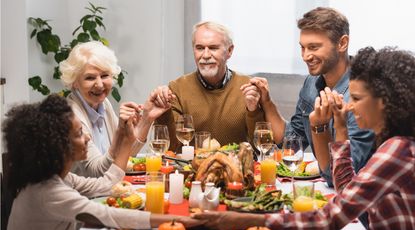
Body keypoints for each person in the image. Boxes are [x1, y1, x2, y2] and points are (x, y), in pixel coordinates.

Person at [194, 47, 415, 230]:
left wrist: (248, 219)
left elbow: (330, 219)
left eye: (356, 98)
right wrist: (340, 128)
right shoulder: (394, 142)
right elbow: (348, 191)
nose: (350, 106)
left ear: (384, 102)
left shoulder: (397, 150)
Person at [4, 94, 202, 230]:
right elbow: (109, 215)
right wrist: (184, 220)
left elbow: (107, 185)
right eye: (79, 133)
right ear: (59, 145)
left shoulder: (57, 178)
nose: (88, 137)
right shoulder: (49, 192)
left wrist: (127, 140)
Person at [247, 7, 374, 186]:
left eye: (314, 47)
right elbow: (289, 143)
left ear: (342, 43)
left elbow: (339, 177)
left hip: (362, 203)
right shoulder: (311, 83)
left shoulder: (361, 94)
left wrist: (318, 128)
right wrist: (266, 102)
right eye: (302, 47)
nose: (306, 56)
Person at [59, 41, 172, 177]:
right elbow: (97, 173)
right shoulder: (70, 116)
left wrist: (147, 118)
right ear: (74, 82)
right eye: (90, 78)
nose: (100, 84)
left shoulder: (103, 104)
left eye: (105, 75)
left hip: (105, 191)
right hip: (83, 195)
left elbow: (124, 157)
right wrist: (120, 132)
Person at [155, 21, 264, 152]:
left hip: (235, 169)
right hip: (191, 169)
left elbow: (262, 148)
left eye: (213, 48)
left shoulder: (248, 87)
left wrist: (253, 111)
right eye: (200, 48)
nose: (205, 55)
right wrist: (163, 112)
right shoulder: (177, 88)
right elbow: (171, 149)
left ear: (229, 51)